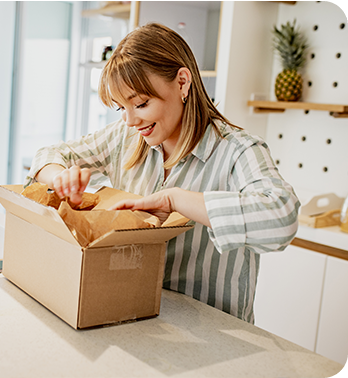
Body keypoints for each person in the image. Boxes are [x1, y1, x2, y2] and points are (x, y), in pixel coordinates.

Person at [24, 23, 300, 323]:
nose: (130, 120)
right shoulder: (127, 137)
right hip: (134, 319)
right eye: (121, 108)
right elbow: (49, 156)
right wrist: (60, 177)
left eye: (141, 103)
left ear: (182, 83)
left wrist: (176, 200)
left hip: (213, 340)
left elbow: (281, 218)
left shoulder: (237, 150)